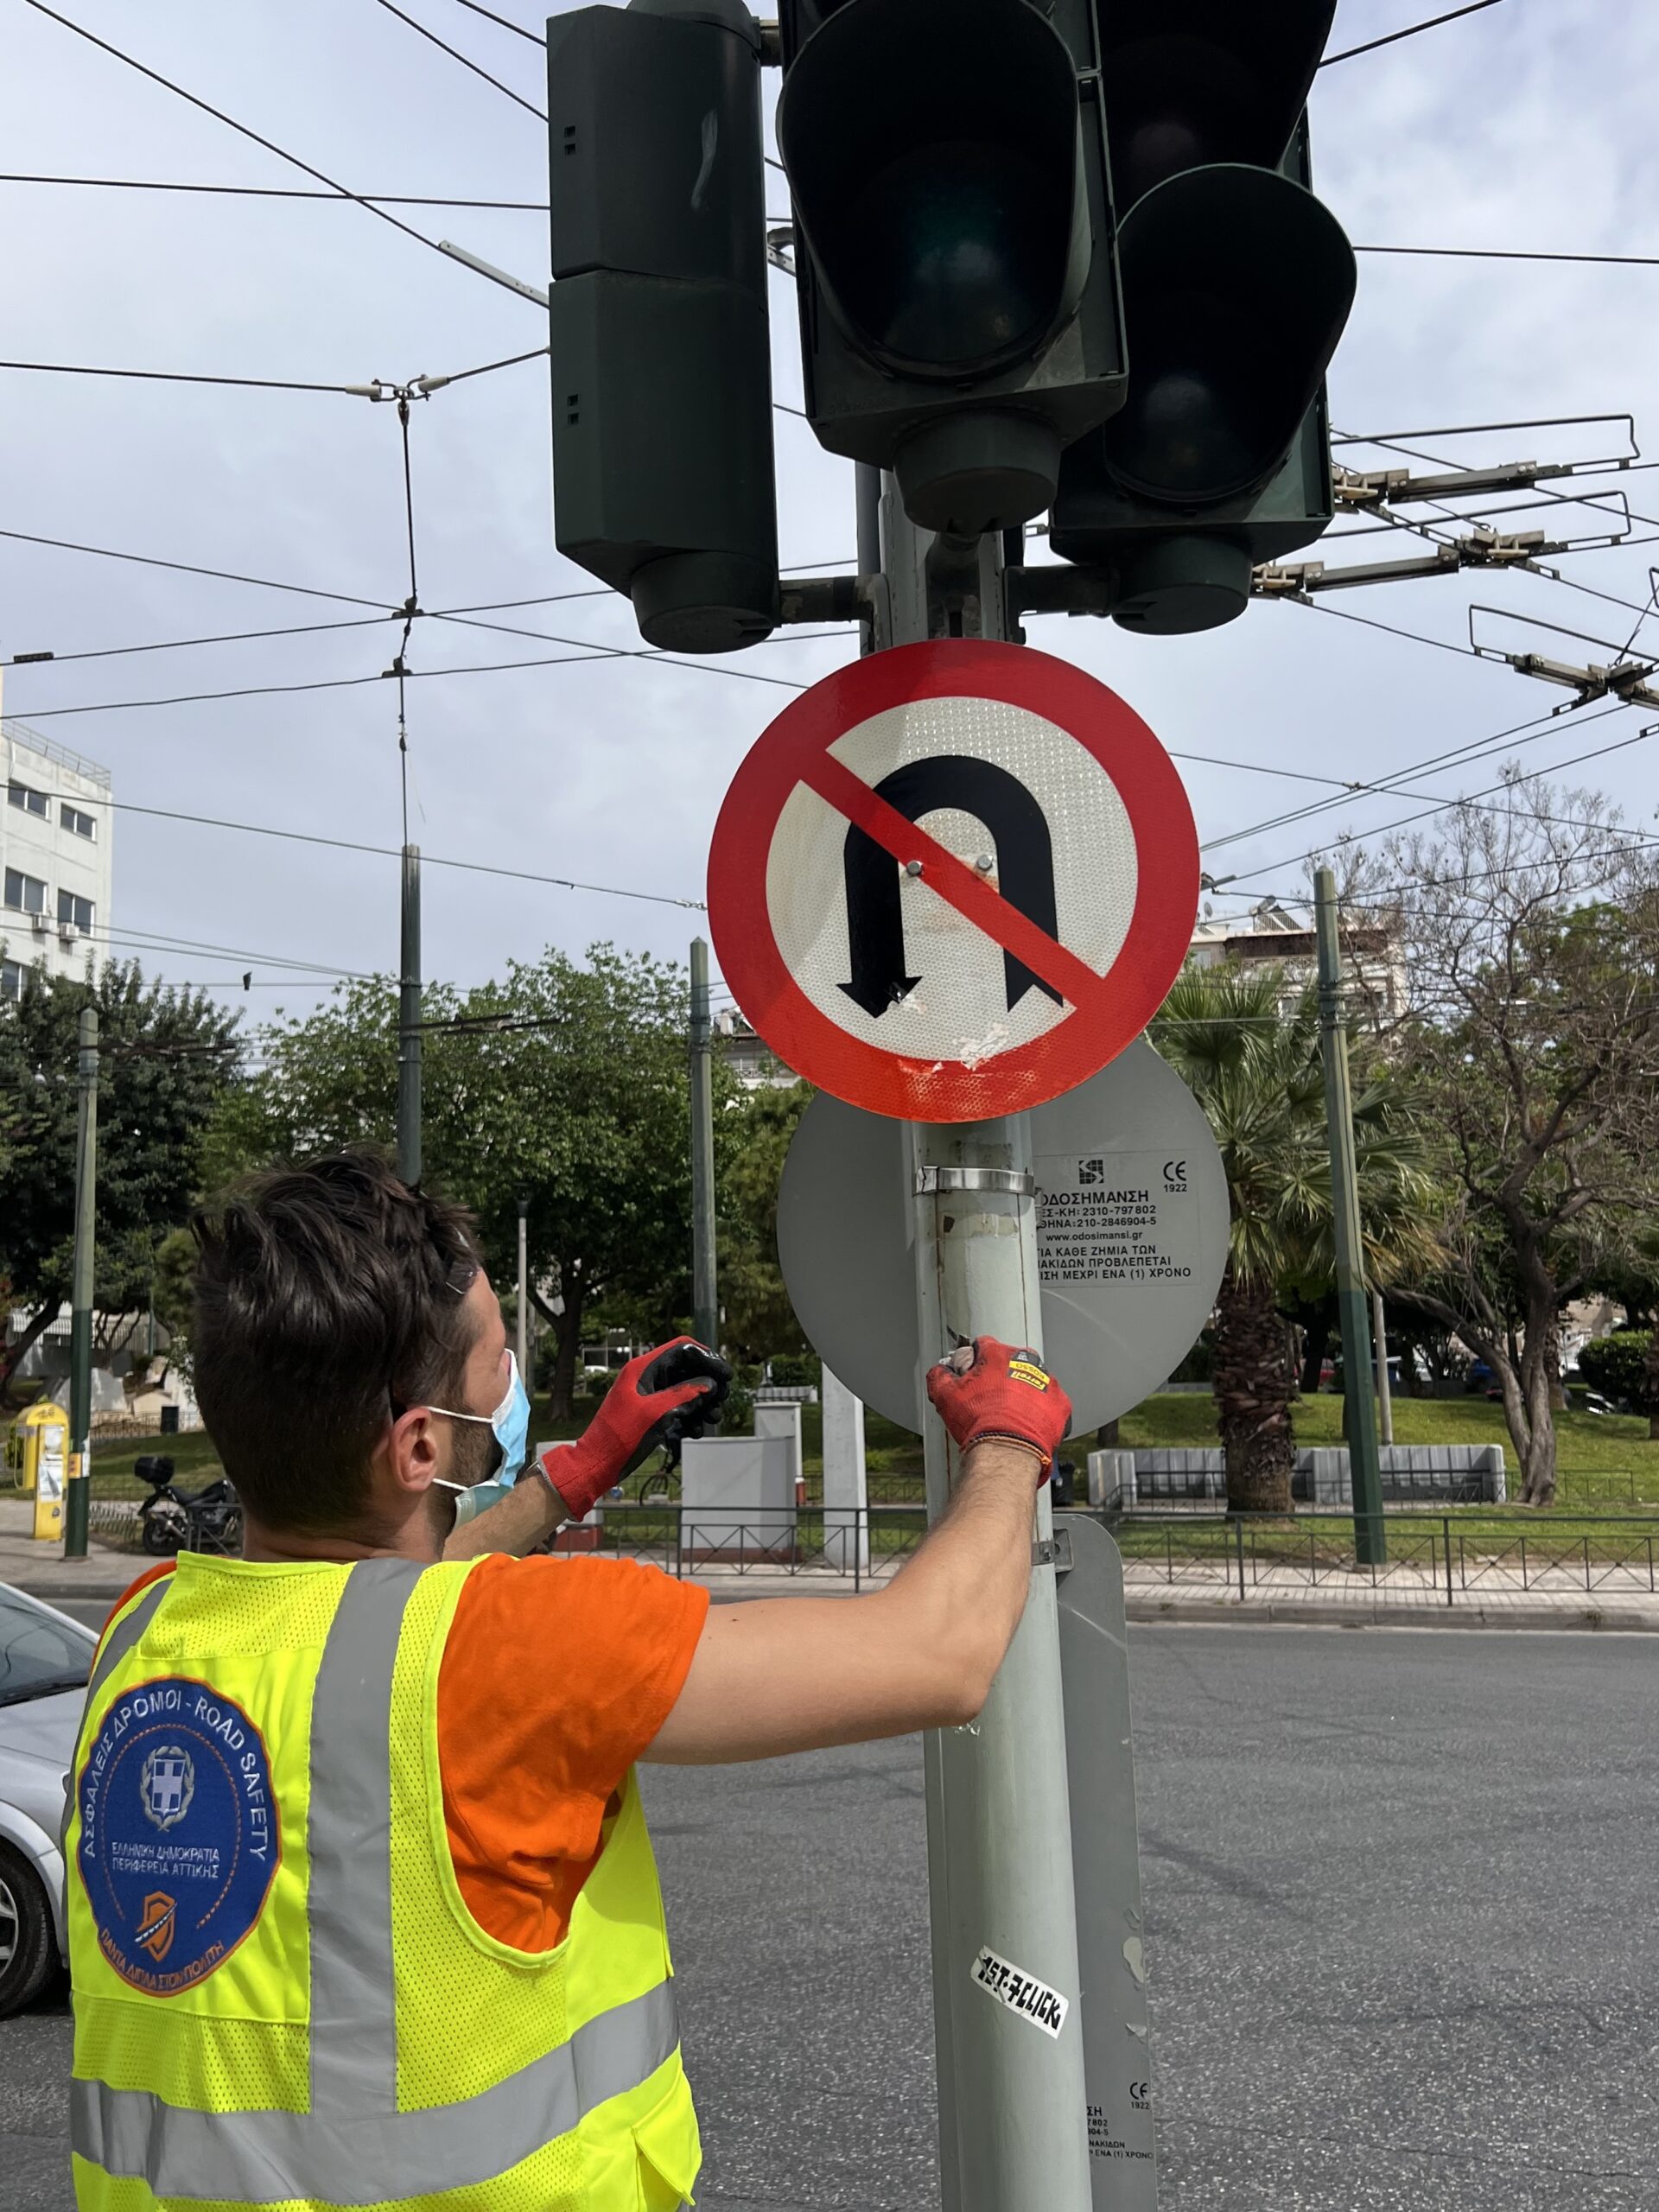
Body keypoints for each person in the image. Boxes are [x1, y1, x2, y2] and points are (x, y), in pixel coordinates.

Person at [66, 1147, 1072, 2212]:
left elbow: (361, 1611)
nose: (512, 1384)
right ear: (418, 1445)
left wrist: (576, 1474)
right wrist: (1008, 1442)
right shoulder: (519, 1648)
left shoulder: (147, 1629)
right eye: (499, 1365)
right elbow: (938, 1653)